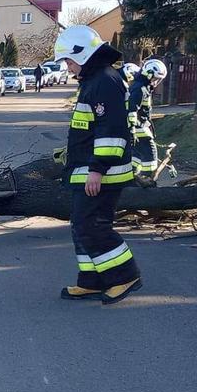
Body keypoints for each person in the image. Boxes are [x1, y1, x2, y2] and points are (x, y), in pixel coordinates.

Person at [53, 25, 142, 304]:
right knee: (80, 225)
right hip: (88, 170)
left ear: (82, 54)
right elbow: (90, 128)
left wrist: (97, 169)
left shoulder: (104, 80)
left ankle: (124, 276)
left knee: (92, 225)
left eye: (68, 60)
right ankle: (92, 280)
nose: (67, 67)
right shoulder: (94, 80)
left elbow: (111, 130)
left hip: (102, 173)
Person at [128, 59, 168, 186]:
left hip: (139, 128)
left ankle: (132, 181)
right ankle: (147, 182)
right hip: (139, 129)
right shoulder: (140, 88)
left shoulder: (142, 86)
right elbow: (132, 110)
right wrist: (132, 129)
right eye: (155, 78)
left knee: (137, 156)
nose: (156, 82)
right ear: (149, 74)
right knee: (150, 155)